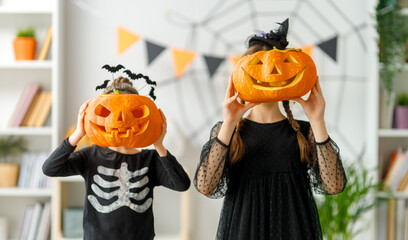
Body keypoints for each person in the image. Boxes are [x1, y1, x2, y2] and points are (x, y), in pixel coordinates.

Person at [194, 19, 347, 240]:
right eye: (258, 66)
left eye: (280, 65)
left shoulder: (304, 131)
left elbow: (334, 185)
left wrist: (317, 120)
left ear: (287, 74)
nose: (270, 72)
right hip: (241, 231)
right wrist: (229, 122)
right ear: (240, 75)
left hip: (295, 231)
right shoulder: (227, 132)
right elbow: (206, 186)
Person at [43, 77, 191, 240]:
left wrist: (159, 144)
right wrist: (78, 133)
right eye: (106, 113)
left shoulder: (151, 158)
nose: (121, 120)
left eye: (135, 113)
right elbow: (50, 168)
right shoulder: (90, 156)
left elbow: (182, 184)